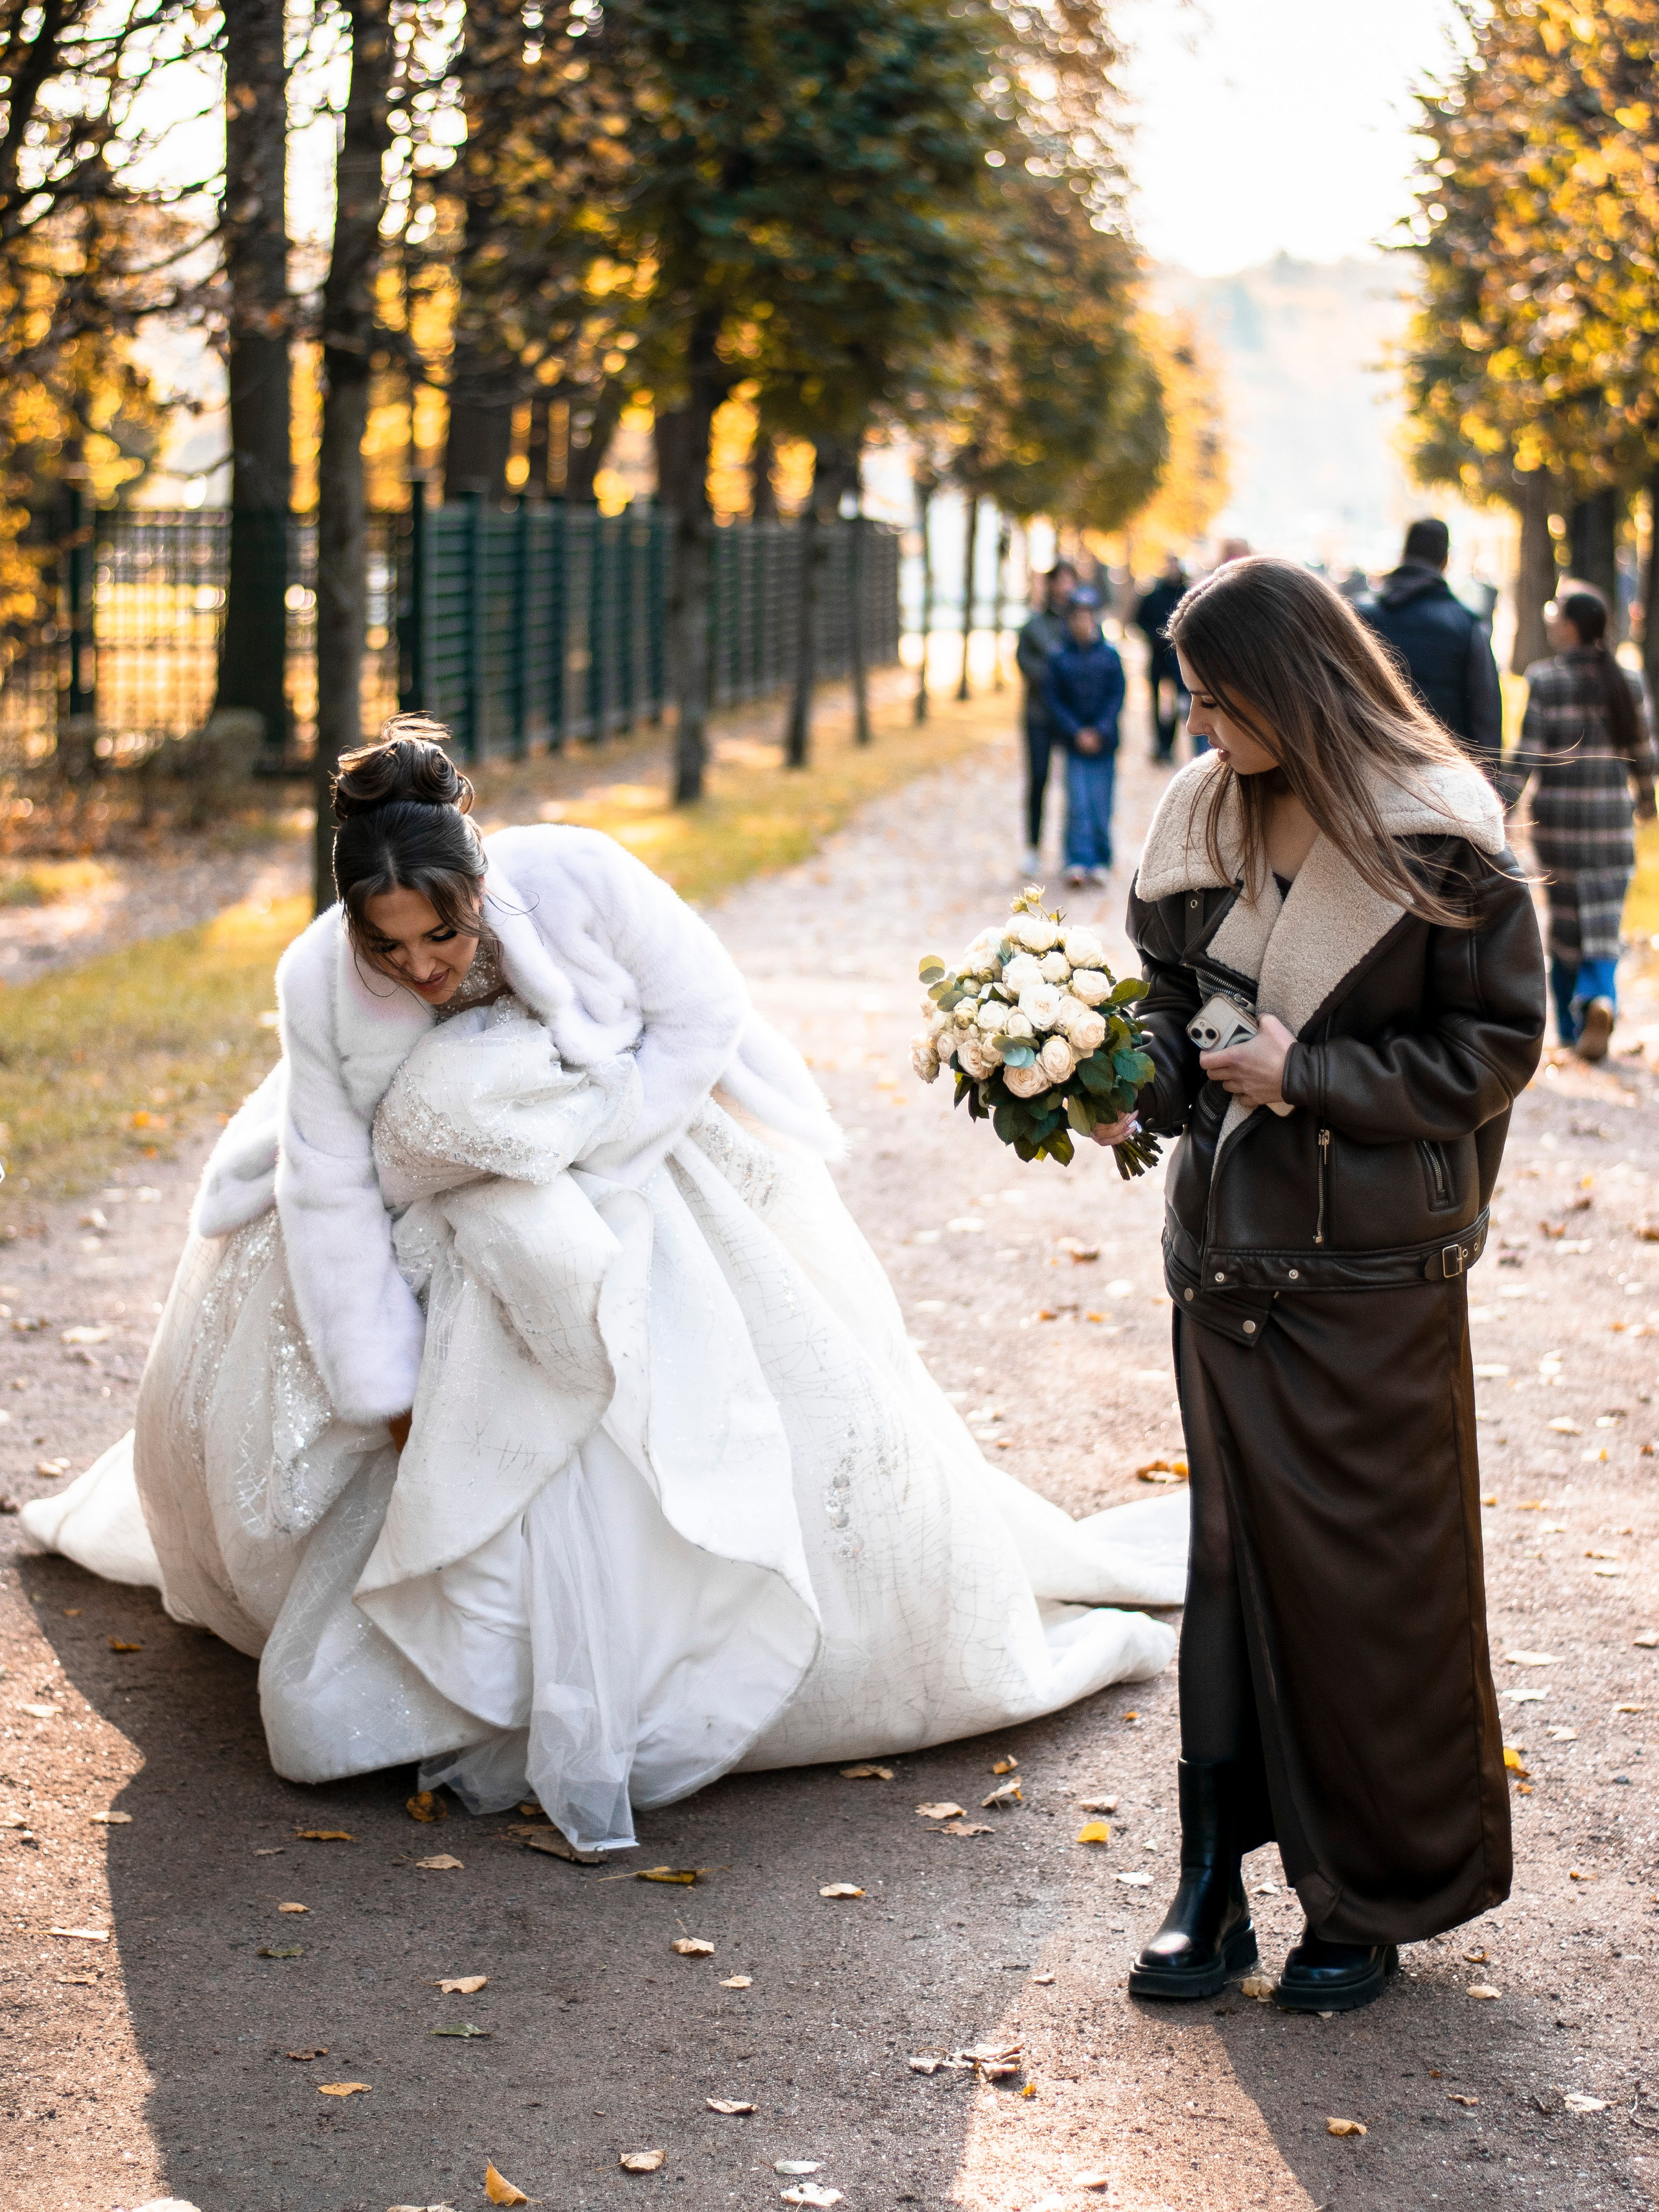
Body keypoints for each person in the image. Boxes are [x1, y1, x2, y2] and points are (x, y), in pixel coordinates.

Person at [23, 718, 1187, 1854]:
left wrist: (595, 1155)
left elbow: (700, 1015)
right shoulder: (316, 983)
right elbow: (329, 1192)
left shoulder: (578, 872)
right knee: (439, 1368)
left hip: (626, 1132)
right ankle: (467, 1659)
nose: (423, 967)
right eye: (390, 949)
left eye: (442, 933)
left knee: (650, 1343)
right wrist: (384, 1388)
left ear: (478, 881)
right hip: (415, 1189)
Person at [1092, 557, 1544, 2013]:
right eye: (1192, 699)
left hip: (1372, 1274)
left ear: (1294, 685)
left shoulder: (1440, 830)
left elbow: (1493, 1047)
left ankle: (1373, 1891)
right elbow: (1168, 1006)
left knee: (1372, 1583)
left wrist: (1312, 1074)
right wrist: (1123, 1085)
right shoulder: (1196, 813)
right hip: (1221, 1259)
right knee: (1224, 1573)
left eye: (1220, 700)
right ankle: (1210, 1877)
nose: (1199, 724)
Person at [1508, 583, 1658, 1058]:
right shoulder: (1627, 680)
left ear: (1571, 626)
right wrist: (1647, 801)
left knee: (1566, 924)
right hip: (1612, 824)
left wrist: (1504, 808)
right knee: (1604, 921)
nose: (1551, 621)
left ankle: (1574, 1032)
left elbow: (1526, 756)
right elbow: (1644, 754)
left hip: (1559, 827)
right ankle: (1601, 998)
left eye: (1556, 615)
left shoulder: (1546, 679)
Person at [1356, 518, 1503, 775]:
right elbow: (1485, 715)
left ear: (1403, 554)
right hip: (1444, 780)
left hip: (1370, 773)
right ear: (1445, 561)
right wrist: (1489, 785)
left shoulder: (1360, 617)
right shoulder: (1465, 625)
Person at [1043, 596, 1125, 888]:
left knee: (1101, 803)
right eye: (1077, 616)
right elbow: (1053, 699)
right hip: (1073, 743)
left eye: (1088, 616)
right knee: (1077, 802)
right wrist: (1076, 731)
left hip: (1104, 744)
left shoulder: (1109, 655)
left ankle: (1101, 859)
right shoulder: (1059, 657)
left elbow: (1117, 696)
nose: (1082, 622)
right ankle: (1077, 859)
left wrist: (1100, 730)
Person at [1014, 562, 1076, 874]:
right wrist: (1056, 678)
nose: (1065, 586)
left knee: (1074, 782)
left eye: (1070, 580)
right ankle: (1033, 848)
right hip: (1038, 716)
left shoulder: (1081, 621)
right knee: (1038, 779)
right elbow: (1024, 663)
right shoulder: (1034, 625)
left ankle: (1073, 852)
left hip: (1072, 717)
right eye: (1060, 580)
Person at [1132, 554, 1194, 766]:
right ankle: (1160, 746)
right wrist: (1154, 636)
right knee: (1157, 705)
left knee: (1178, 704)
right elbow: (1139, 621)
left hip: (1178, 661)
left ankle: (1169, 745)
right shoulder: (1154, 596)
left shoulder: (1187, 594)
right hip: (1158, 658)